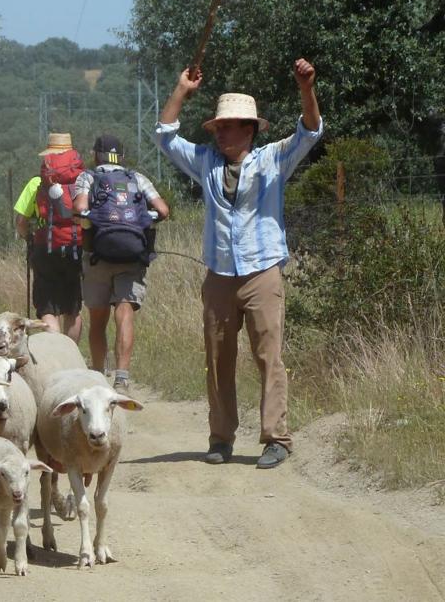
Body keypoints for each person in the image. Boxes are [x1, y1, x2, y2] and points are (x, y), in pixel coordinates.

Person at [155, 58, 321, 470]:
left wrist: (306, 89)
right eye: (219, 126)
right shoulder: (206, 162)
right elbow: (164, 135)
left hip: (262, 271)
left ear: (249, 130)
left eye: (229, 125)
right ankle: (221, 438)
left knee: (269, 355)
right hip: (219, 274)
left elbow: (311, 130)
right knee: (217, 357)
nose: (220, 131)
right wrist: (180, 91)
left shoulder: (272, 159)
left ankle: (276, 439)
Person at [72, 135, 170, 391]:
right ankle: (122, 377)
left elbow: (80, 209)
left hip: (97, 257)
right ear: (122, 157)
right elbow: (163, 210)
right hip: (133, 257)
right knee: (124, 313)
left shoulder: (88, 177)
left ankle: (97, 375)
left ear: (96, 155)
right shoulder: (137, 178)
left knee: (98, 319)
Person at [12, 133, 85, 343]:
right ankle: (71, 355)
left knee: (47, 307)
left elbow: (21, 222)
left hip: (45, 247)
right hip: (75, 247)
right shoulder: (83, 181)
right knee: (73, 307)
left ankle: (56, 352)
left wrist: (28, 238)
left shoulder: (37, 182)